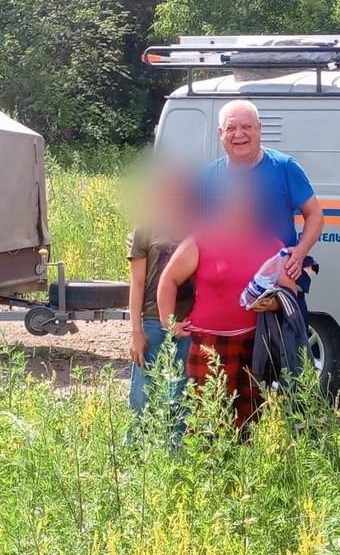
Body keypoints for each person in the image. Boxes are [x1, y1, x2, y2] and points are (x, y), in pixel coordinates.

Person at [157, 186, 297, 431]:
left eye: (248, 208)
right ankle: (208, 469)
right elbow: (168, 280)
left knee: (252, 416)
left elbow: (290, 292)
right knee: (208, 418)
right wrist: (168, 322)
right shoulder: (201, 241)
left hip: (256, 345)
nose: (242, 213)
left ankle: (243, 468)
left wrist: (273, 303)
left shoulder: (273, 245)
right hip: (209, 342)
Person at [197, 100, 324, 328]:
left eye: (247, 127)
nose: (239, 134)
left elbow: (315, 215)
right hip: (227, 291)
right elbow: (194, 228)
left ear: (259, 129)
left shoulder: (285, 167)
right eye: (231, 128)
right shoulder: (209, 176)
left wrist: (300, 251)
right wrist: (143, 238)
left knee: (285, 359)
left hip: (277, 288)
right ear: (220, 133)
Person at [126, 170, 195, 422]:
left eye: (179, 190)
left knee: (181, 392)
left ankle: (175, 450)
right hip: (154, 321)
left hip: (189, 322)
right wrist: (136, 332)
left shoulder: (196, 229)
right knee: (144, 392)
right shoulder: (144, 231)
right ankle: (136, 448)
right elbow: (137, 283)